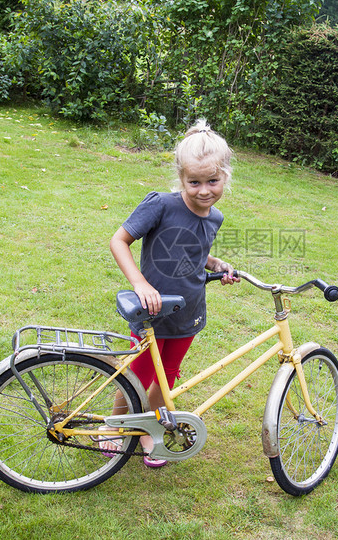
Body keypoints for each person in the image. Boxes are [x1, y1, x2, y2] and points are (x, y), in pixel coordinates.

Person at [107, 119, 239, 468]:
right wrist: (140, 284)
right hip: (151, 312)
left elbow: (195, 250)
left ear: (225, 177)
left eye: (212, 181)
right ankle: (117, 428)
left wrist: (216, 264)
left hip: (188, 313)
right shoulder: (161, 205)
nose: (203, 190)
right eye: (194, 182)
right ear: (181, 178)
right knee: (140, 373)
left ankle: (148, 429)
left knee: (166, 376)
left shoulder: (215, 217)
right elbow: (118, 241)